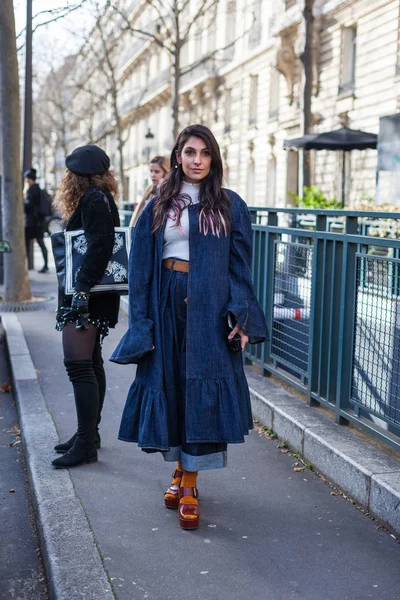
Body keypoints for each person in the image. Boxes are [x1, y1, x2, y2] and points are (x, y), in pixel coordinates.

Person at [111, 124, 268, 529]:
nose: (197, 160)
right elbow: (141, 268)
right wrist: (142, 321)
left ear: (213, 159)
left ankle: (190, 484)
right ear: (177, 155)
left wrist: (242, 315)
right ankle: (179, 472)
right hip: (166, 303)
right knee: (172, 387)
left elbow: (239, 267)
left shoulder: (230, 205)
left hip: (210, 309)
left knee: (199, 389)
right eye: (190, 152)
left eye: (205, 153)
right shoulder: (159, 204)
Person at [51, 145, 120, 469]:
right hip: (94, 293)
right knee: (91, 363)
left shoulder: (93, 199)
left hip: (87, 295)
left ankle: (86, 443)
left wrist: (80, 290)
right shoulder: (101, 197)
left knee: (79, 365)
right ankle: (88, 436)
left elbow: (101, 245)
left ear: (76, 177)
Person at [129, 155, 170, 227]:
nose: (152, 175)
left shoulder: (170, 191)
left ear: (166, 173)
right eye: (151, 171)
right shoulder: (150, 189)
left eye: (157, 172)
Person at [24, 168, 49, 273]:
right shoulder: (39, 189)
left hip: (31, 223)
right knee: (41, 243)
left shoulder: (31, 190)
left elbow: (27, 206)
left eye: (27, 179)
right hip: (39, 222)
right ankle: (46, 265)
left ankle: (24, 265)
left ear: (29, 180)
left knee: (26, 245)